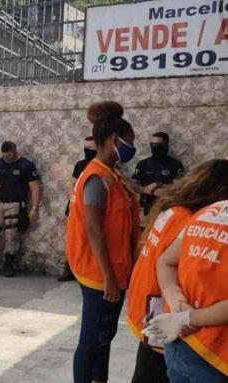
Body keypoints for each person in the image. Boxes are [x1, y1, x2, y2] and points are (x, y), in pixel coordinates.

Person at [126, 159, 228, 383]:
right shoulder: (188, 217)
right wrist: (184, 314)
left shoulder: (180, 210)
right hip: (171, 315)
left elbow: (165, 260)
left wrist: (180, 310)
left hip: (163, 308)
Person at [66, 101, 140, 383]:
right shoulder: (96, 178)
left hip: (114, 270)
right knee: (91, 340)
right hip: (101, 274)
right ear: (112, 140)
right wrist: (109, 278)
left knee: (104, 335)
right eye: (129, 142)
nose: (132, 148)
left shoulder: (113, 174)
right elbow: (94, 230)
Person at [146, 197, 228, 382]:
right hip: (216, 354)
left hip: (180, 344)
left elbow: (165, 262)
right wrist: (187, 317)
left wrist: (179, 308)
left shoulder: (208, 212)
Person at [0, 141, 41, 278]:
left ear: (15, 151)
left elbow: (35, 188)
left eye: (9, 156)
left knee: (12, 236)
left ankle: (8, 266)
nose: (6, 159)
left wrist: (35, 208)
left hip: (15, 205)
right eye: (4, 156)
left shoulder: (27, 166)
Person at [60, 136, 98, 282]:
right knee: (74, 238)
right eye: (85, 148)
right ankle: (69, 269)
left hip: (93, 207)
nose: (87, 150)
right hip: (77, 205)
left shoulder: (102, 165)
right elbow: (73, 184)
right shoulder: (80, 164)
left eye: (91, 148)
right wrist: (72, 203)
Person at [132, 132, 185, 216]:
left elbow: (179, 187)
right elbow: (133, 187)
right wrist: (152, 191)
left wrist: (159, 185)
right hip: (146, 209)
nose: (154, 148)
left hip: (167, 210)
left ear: (166, 146)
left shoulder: (175, 164)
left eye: (158, 145)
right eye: (152, 145)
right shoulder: (142, 164)